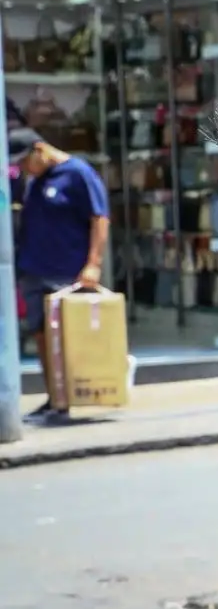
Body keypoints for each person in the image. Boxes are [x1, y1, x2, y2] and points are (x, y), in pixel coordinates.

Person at [10, 129, 109, 425]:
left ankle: (70, 398)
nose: (24, 168)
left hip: (65, 270)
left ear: (40, 150)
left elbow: (99, 218)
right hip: (33, 269)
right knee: (41, 336)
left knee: (64, 338)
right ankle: (55, 399)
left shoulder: (78, 173)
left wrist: (93, 263)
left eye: (26, 161)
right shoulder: (34, 181)